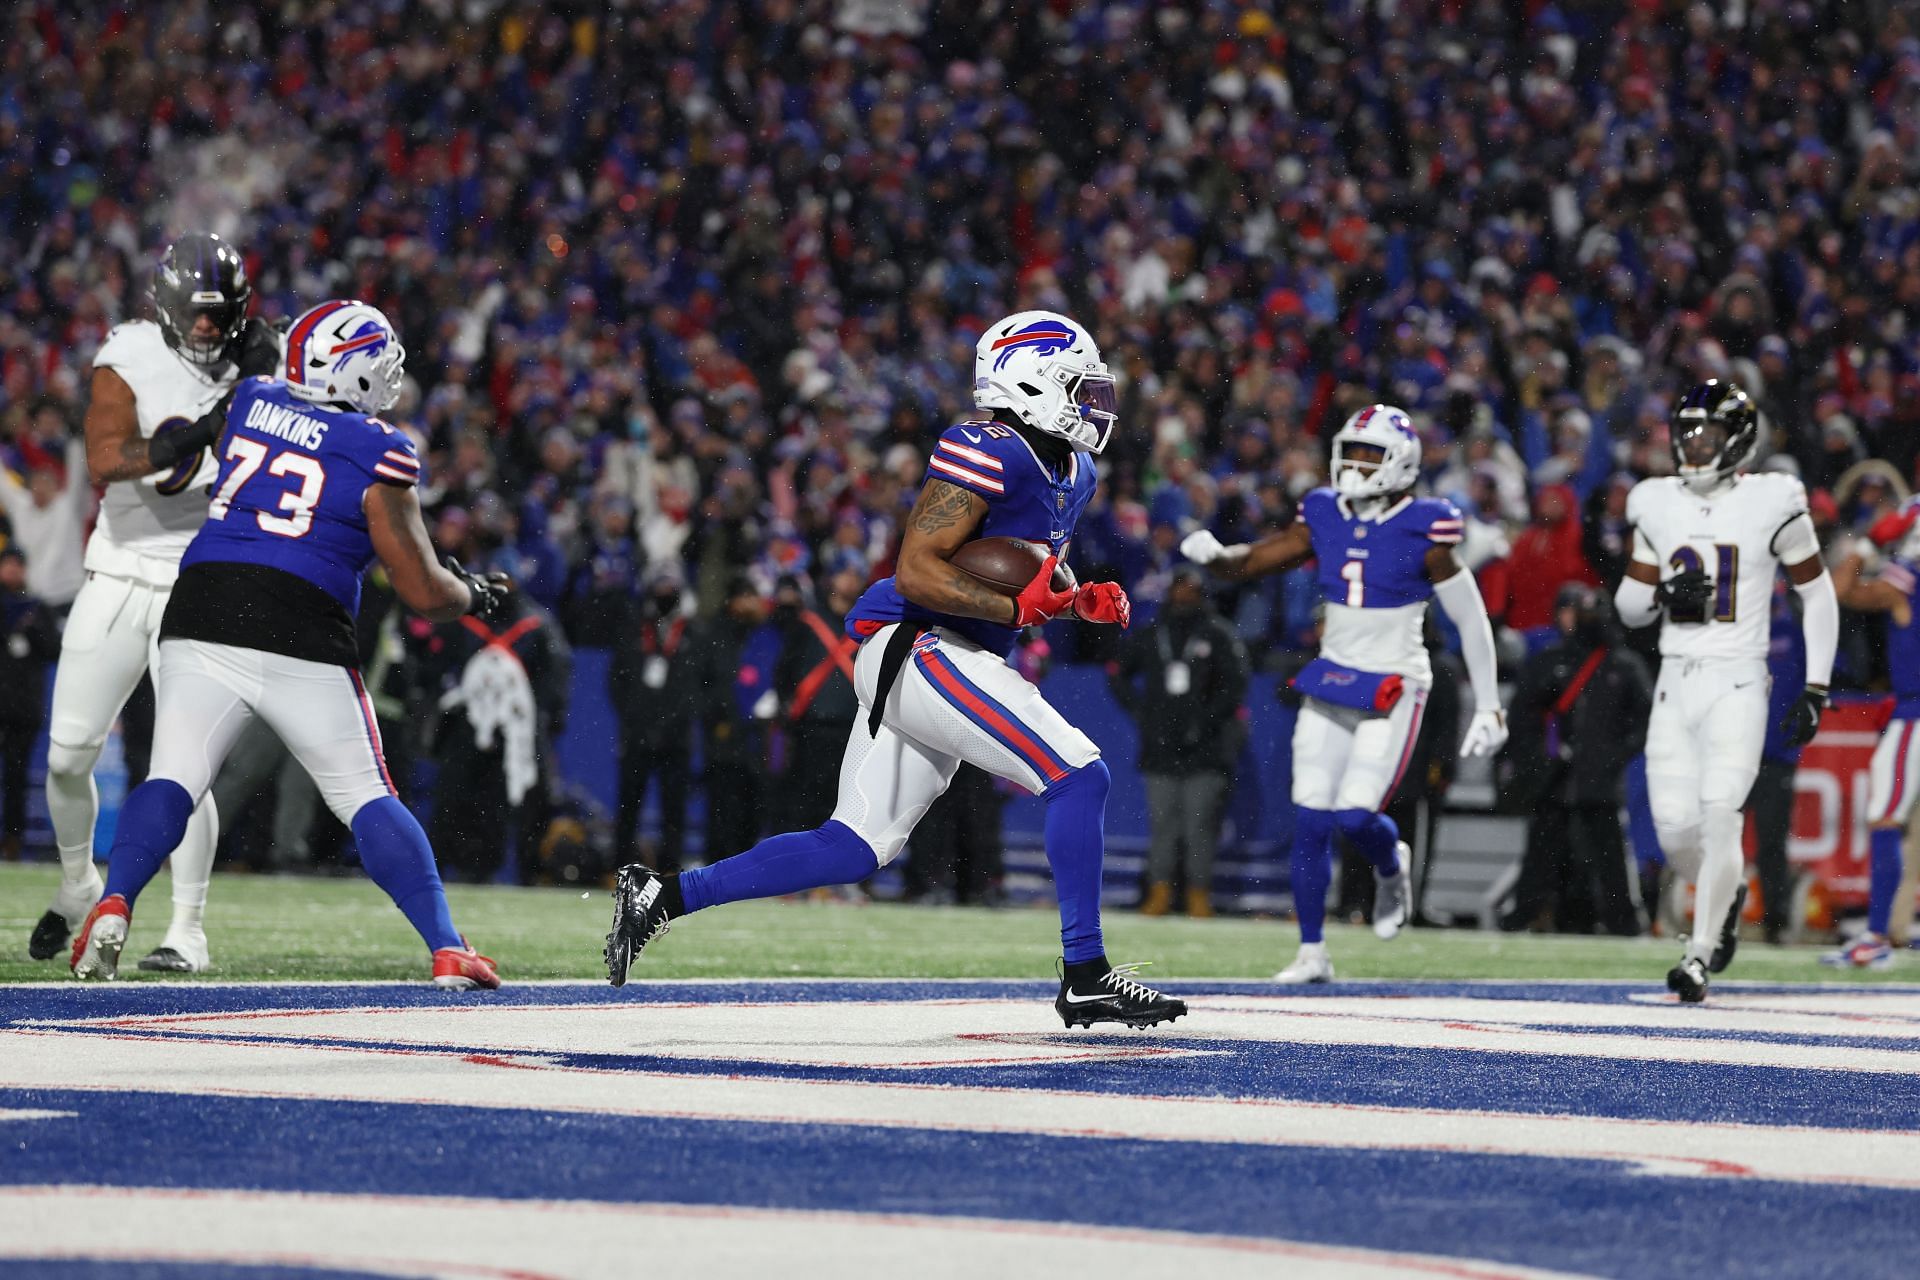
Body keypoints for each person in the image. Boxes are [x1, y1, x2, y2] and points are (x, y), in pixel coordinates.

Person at [606, 310, 1186, 1029]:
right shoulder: (986, 444)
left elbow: (1019, 568)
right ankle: (1085, 972)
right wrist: (1023, 609)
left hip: (951, 650)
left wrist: (1072, 603)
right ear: (1029, 381)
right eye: (1078, 384)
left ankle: (662, 896)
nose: (1094, 402)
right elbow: (917, 571)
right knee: (1078, 771)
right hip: (917, 640)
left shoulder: (1078, 469)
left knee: (853, 847)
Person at [67, 300, 509, 987]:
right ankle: (447, 945)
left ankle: (116, 900)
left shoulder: (249, 400)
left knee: (174, 776)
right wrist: (474, 592)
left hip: (204, 602)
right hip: (300, 620)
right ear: (357, 374)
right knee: (366, 794)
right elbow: (421, 590)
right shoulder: (381, 449)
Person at [1183, 403, 1509, 983]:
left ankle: (1391, 863)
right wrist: (1218, 559)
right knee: (1311, 816)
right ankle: (1312, 950)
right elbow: (1259, 560)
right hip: (1334, 677)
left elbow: (1471, 618)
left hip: (1395, 682)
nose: (1356, 465)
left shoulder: (1427, 525)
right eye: (1350, 452)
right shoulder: (1323, 511)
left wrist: (1488, 702)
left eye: (1370, 455)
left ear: (1401, 463)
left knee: (1357, 816)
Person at [29, 233, 282, 974]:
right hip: (118, 573)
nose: (208, 328)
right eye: (196, 314)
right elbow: (109, 460)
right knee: (68, 754)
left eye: (220, 315)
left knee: (185, 764)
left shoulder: (261, 359)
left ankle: (187, 930)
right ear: (168, 308)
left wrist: (275, 384)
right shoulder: (132, 353)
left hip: (201, 581)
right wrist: (204, 431)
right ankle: (81, 884)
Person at [1613, 381, 1838, 1002]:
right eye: (1686, 433)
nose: (1693, 445)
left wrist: (1816, 683)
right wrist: (1661, 595)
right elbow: (1629, 605)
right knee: (1675, 829)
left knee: (1719, 817)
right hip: (1673, 680)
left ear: (1738, 440)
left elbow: (1817, 591)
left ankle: (1698, 953)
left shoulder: (1771, 499)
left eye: (1707, 434)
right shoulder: (1654, 500)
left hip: (1738, 679)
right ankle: (1728, 894)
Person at [1499, 584, 1652, 936]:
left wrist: (1615, 755)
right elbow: (1523, 715)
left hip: (1598, 777)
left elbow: (1645, 718)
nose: (1579, 620)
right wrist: (1539, 757)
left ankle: (1620, 920)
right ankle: (1528, 913)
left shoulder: (1623, 664)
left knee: (1607, 853)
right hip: (1556, 774)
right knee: (1543, 850)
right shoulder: (1550, 662)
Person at [1108, 563, 1249, 917]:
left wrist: (1208, 719)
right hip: (1160, 745)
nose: (1184, 595)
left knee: (1199, 824)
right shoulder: (1154, 632)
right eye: (1179, 587)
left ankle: (1198, 893)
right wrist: (1143, 713)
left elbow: (1237, 683)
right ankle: (1159, 893)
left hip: (1207, 746)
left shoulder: (1217, 634)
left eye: (1191, 589)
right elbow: (1117, 672)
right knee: (1163, 824)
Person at [1821, 502, 1920, 969]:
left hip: (1914, 716)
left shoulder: (1907, 583)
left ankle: (1877, 934)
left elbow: (1841, 589)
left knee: (1884, 818)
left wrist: (1868, 542)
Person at [608, 564, 701, 873]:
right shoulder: (634, 628)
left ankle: (669, 870)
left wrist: (677, 718)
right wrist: (636, 718)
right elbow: (616, 681)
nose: (664, 595)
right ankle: (620, 868)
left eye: (669, 588)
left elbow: (706, 684)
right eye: (659, 588)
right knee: (628, 807)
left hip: (676, 737)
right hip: (637, 734)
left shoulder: (693, 633)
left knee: (673, 809)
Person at [773, 568, 862, 833]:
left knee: (844, 803)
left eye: (855, 574)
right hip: (811, 727)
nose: (849, 579)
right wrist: (787, 706)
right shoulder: (807, 623)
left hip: (851, 729)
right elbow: (784, 670)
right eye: (845, 572)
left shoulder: (867, 626)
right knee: (804, 803)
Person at [0, 547, 59, 858]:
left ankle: (12, 839)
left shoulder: (36, 608)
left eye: (16, 565)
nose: (11, 571)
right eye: (6, 564)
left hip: (23, 706)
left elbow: (53, 649)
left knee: (15, 776)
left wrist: (31, 629)